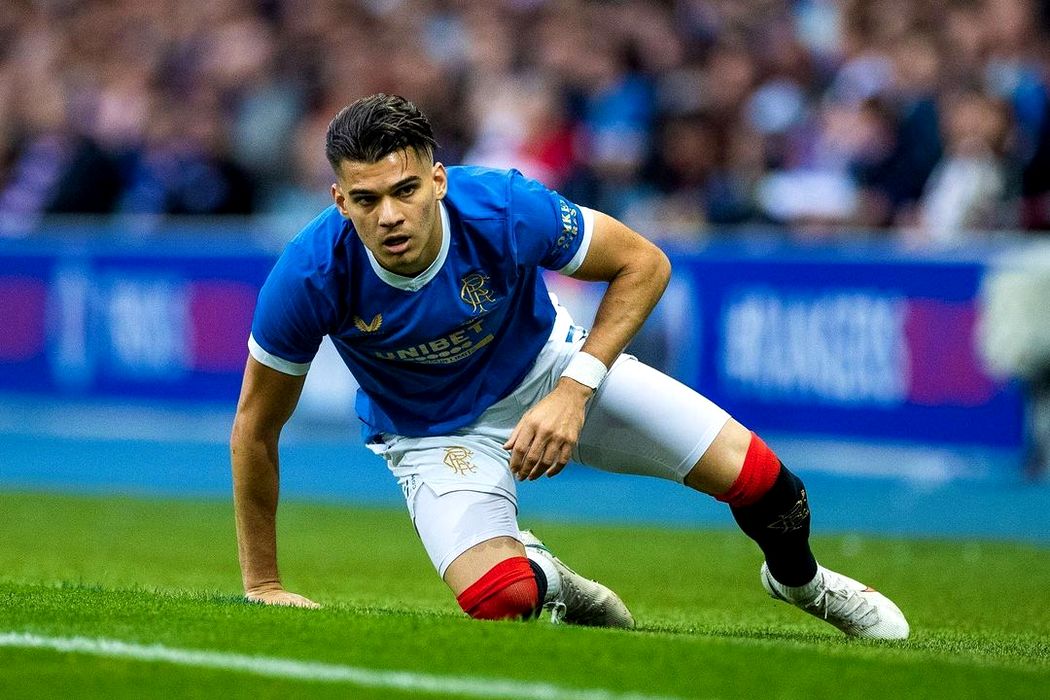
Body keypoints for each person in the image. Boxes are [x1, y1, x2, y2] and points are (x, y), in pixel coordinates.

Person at [231, 94, 909, 639]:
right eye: (366, 200)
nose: (389, 216)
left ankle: (804, 583)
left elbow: (644, 263)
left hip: (551, 369)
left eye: (405, 190)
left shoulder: (502, 207)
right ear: (339, 200)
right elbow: (255, 427)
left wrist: (574, 390)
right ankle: (555, 581)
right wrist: (263, 584)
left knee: (765, 483)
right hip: (432, 435)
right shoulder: (308, 274)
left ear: (438, 180)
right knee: (501, 600)